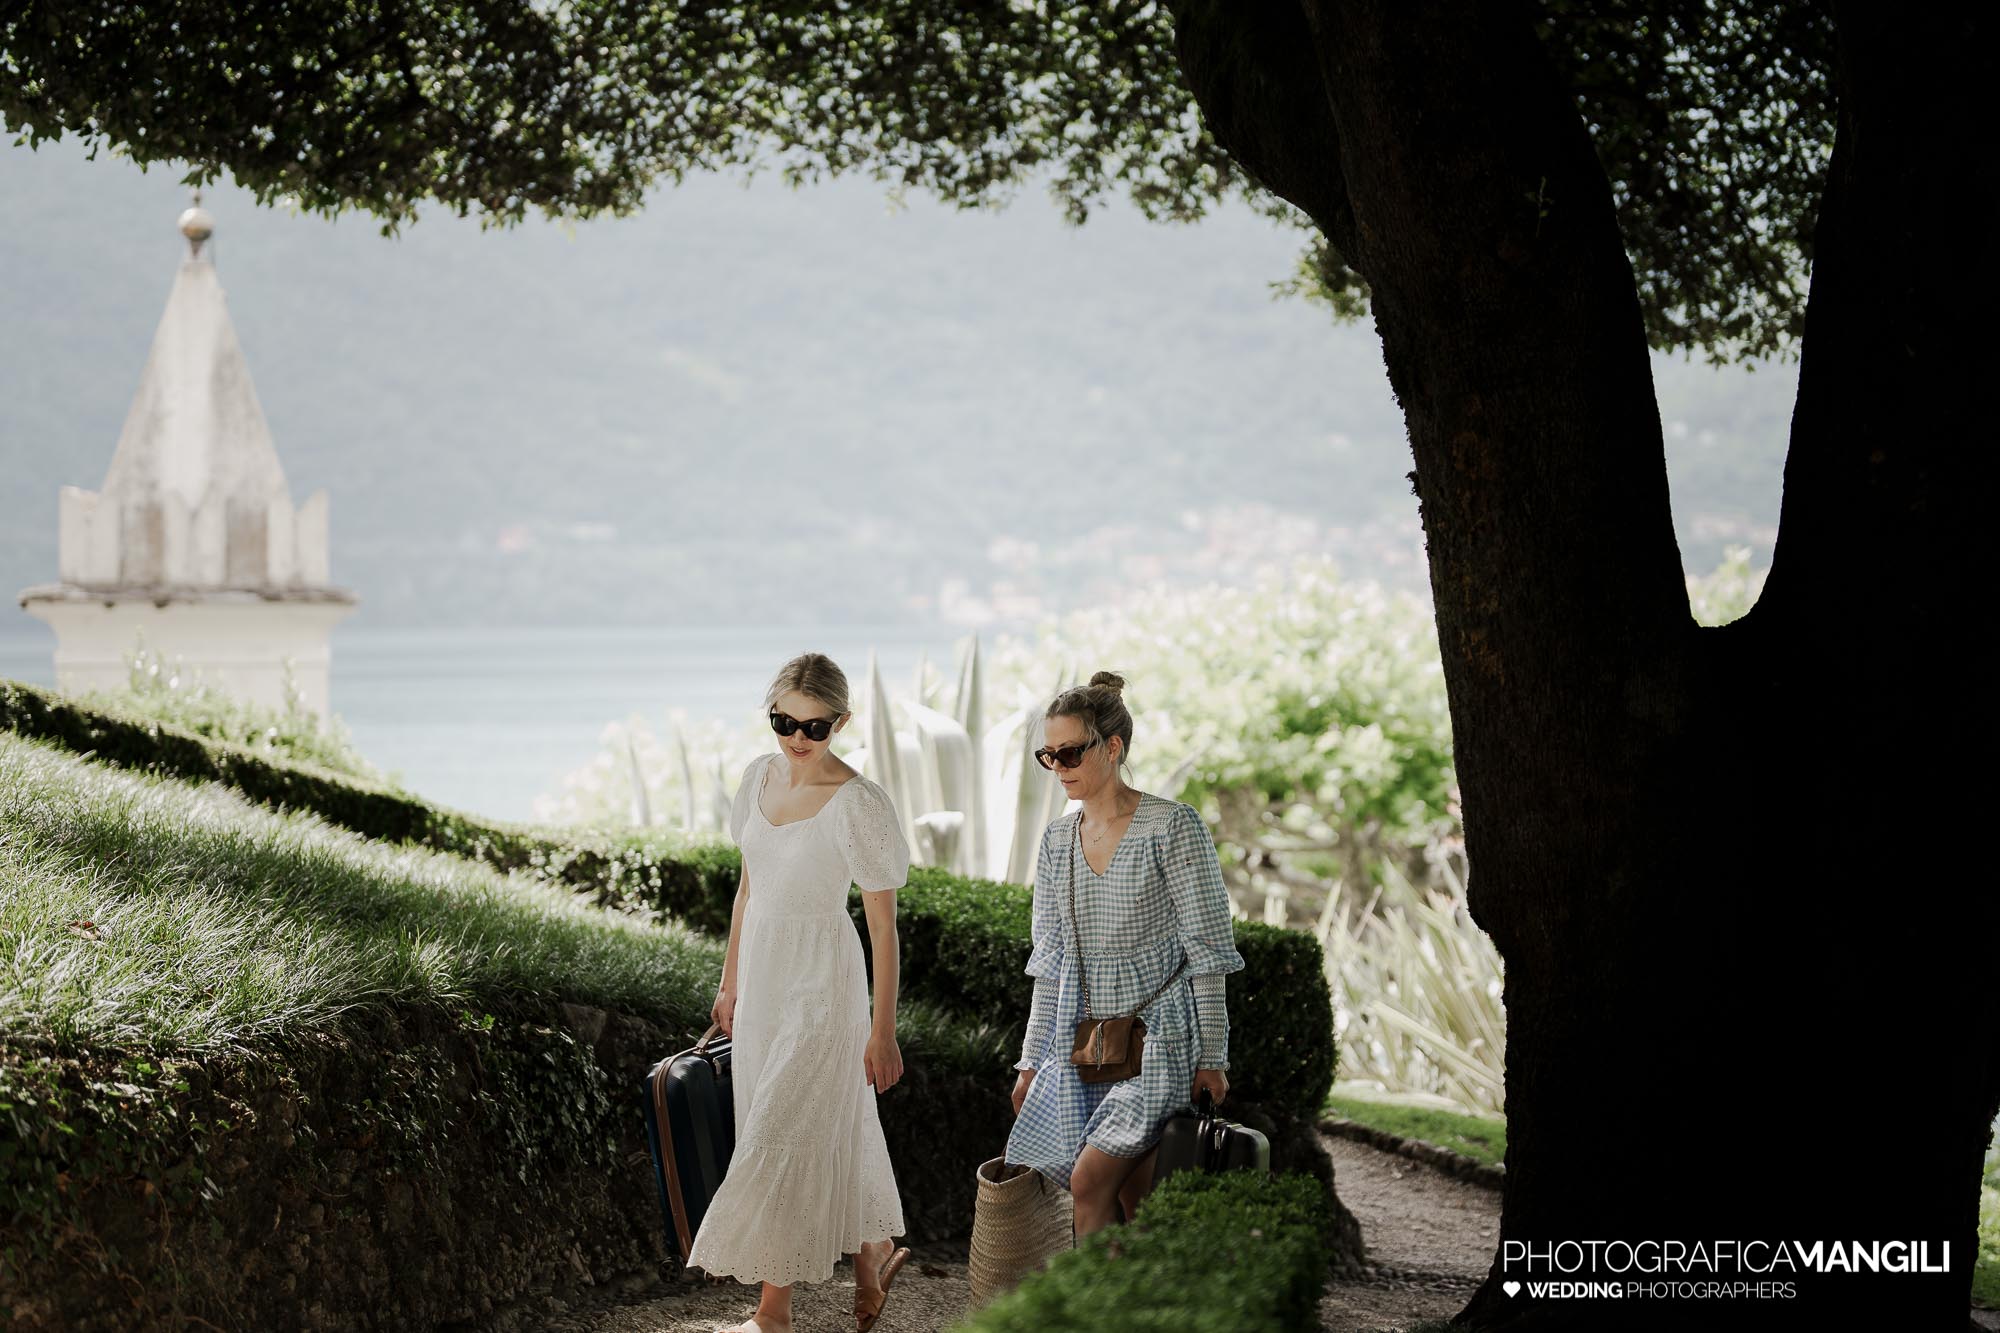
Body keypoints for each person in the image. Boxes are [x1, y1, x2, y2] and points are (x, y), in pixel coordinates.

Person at [686, 653, 913, 1333]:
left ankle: (772, 1313)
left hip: (824, 984)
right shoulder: (757, 777)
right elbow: (748, 889)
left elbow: (883, 926)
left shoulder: (859, 802)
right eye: (784, 721)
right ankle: (873, 1251)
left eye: (814, 726)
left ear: (842, 722)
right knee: (818, 1120)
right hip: (764, 981)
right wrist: (729, 981)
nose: (797, 738)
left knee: (777, 1131)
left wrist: (882, 1029)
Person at [1003, 670, 1247, 1235]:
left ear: (1112, 748)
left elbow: (1209, 954)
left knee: (1089, 1182)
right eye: (1048, 756)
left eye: (1070, 753)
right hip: (1087, 1044)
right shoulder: (1057, 840)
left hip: (1160, 1039)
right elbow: (1051, 963)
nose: (1058, 768)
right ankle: (1137, 1286)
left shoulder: (1172, 827)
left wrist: (1213, 1057)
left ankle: (1091, 1295)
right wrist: (1031, 1062)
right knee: (1135, 1198)